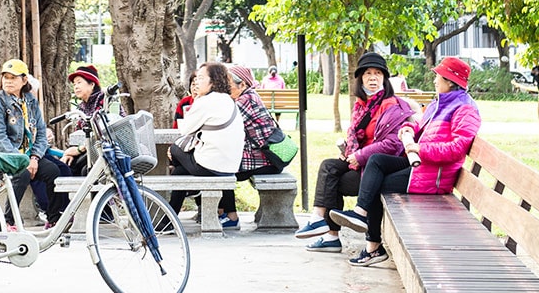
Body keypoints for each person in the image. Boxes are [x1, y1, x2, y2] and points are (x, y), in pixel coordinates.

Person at [329, 56, 482, 266]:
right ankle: (360, 213)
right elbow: (422, 128)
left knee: (374, 184)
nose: (435, 80)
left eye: (438, 76)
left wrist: (420, 148)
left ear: (450, 81)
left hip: (433, 176)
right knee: (376, 161)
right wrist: (409, 130)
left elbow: (457, 150)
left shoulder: (465, 109)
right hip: (419, 165)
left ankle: (373, 247)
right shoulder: (439, 102)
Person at [295, 51, 417, 252]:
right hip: (363, 163)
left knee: (333, 182)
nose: (372, 78)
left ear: (385, 79)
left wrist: (358, 156)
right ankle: (318, 219)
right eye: (367, 73)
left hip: (379, 169)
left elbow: (393, 145)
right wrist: (349, 153)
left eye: (378, 73)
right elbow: (356, 135)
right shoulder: (362, 105)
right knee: (329, 166)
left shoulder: (392, 106)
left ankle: (331, 237)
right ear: (360, 78)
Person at [0, 58, 65, 230]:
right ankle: (7, 221)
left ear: (24, 80)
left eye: (13, 77)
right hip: (4, 156)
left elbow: (41, 133)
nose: (7, 81)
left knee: (53, 171)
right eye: (5, 77)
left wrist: (35, 157)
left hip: (29, 155)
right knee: (21, 174)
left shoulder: (30, 101)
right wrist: (21, 159)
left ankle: (53, 219)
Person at [168, 62, 244, 215]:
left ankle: (171, 218)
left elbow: (185, 129)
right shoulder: (228, 100)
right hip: (230, 166)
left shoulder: (206, 101)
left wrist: (196, 100)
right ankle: (169, 220)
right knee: (180, 173)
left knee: (174, 149)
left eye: (201, 78)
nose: (197, 82)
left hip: (210, 165)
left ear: (213, 81)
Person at [217, 64, 284, 230]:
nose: (226, 88)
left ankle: (231, 217)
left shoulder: (246, 100)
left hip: (266, 161)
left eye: (229, 84)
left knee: (222, 169)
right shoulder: (247, 96)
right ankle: (223, 212)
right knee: (221, 164)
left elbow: (225, 123)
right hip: (260, 157)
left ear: (242, 85)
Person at [60, 65, 108, 175]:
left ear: (92, 84)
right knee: (66, 165)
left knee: (82, 170)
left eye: (79, 82)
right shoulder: (81, 107)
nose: (76, 87)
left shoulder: (103, 100)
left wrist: (78, 150)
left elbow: (103, 132)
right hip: (89, 151)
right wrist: (70, 152)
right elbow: (78, 133)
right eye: (74, 84)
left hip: (105, 152)